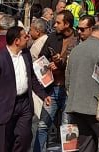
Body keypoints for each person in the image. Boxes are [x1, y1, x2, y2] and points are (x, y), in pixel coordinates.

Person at [0, 26, 51, 151]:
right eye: (25, 36)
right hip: (5, 104)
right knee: (4, 142)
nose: (28, 38)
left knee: (24, 137)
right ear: (17, 41)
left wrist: (43, 95)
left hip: (24, 103)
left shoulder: (26, 54)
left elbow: (32, 78)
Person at [65, 21, 99, 152]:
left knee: (86, 144)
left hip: (76, 105)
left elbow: (68, 80)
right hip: (96, 107)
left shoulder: (76, 49)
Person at [36, 10, 78, 152]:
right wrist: (48, 65)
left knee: (68, 127)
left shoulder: (78, 39)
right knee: (43, 125)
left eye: (58, 23)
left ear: (67, 24)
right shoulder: (53, 37)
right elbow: (41, 58)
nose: (54, 25)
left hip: (69, 90)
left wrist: (61, 63)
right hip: (52, 88)